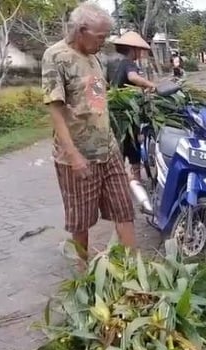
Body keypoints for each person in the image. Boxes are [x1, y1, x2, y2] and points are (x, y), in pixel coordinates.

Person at [41, 1, 137, 262]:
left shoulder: (96, 59)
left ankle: (134, 267)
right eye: (100, 36)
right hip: (78, 155)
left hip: (108, 150)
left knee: (124, 209)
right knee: (80, 220)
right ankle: (84, 272)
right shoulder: (56, 56)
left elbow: (97, 103)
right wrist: (74, 156)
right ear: (81, 30)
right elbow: (55, 110)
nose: (103, 42)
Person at [108, 30, 156, 180]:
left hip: (113, 113)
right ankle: (135, 179)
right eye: (139, 50)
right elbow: (133, 77)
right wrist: (151, 85)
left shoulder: (111, 63)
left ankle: (120, 179)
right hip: (127, 114)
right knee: (132, 145)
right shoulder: (128, 63)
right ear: (132, 49)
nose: (140, 53)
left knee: (120, 147)